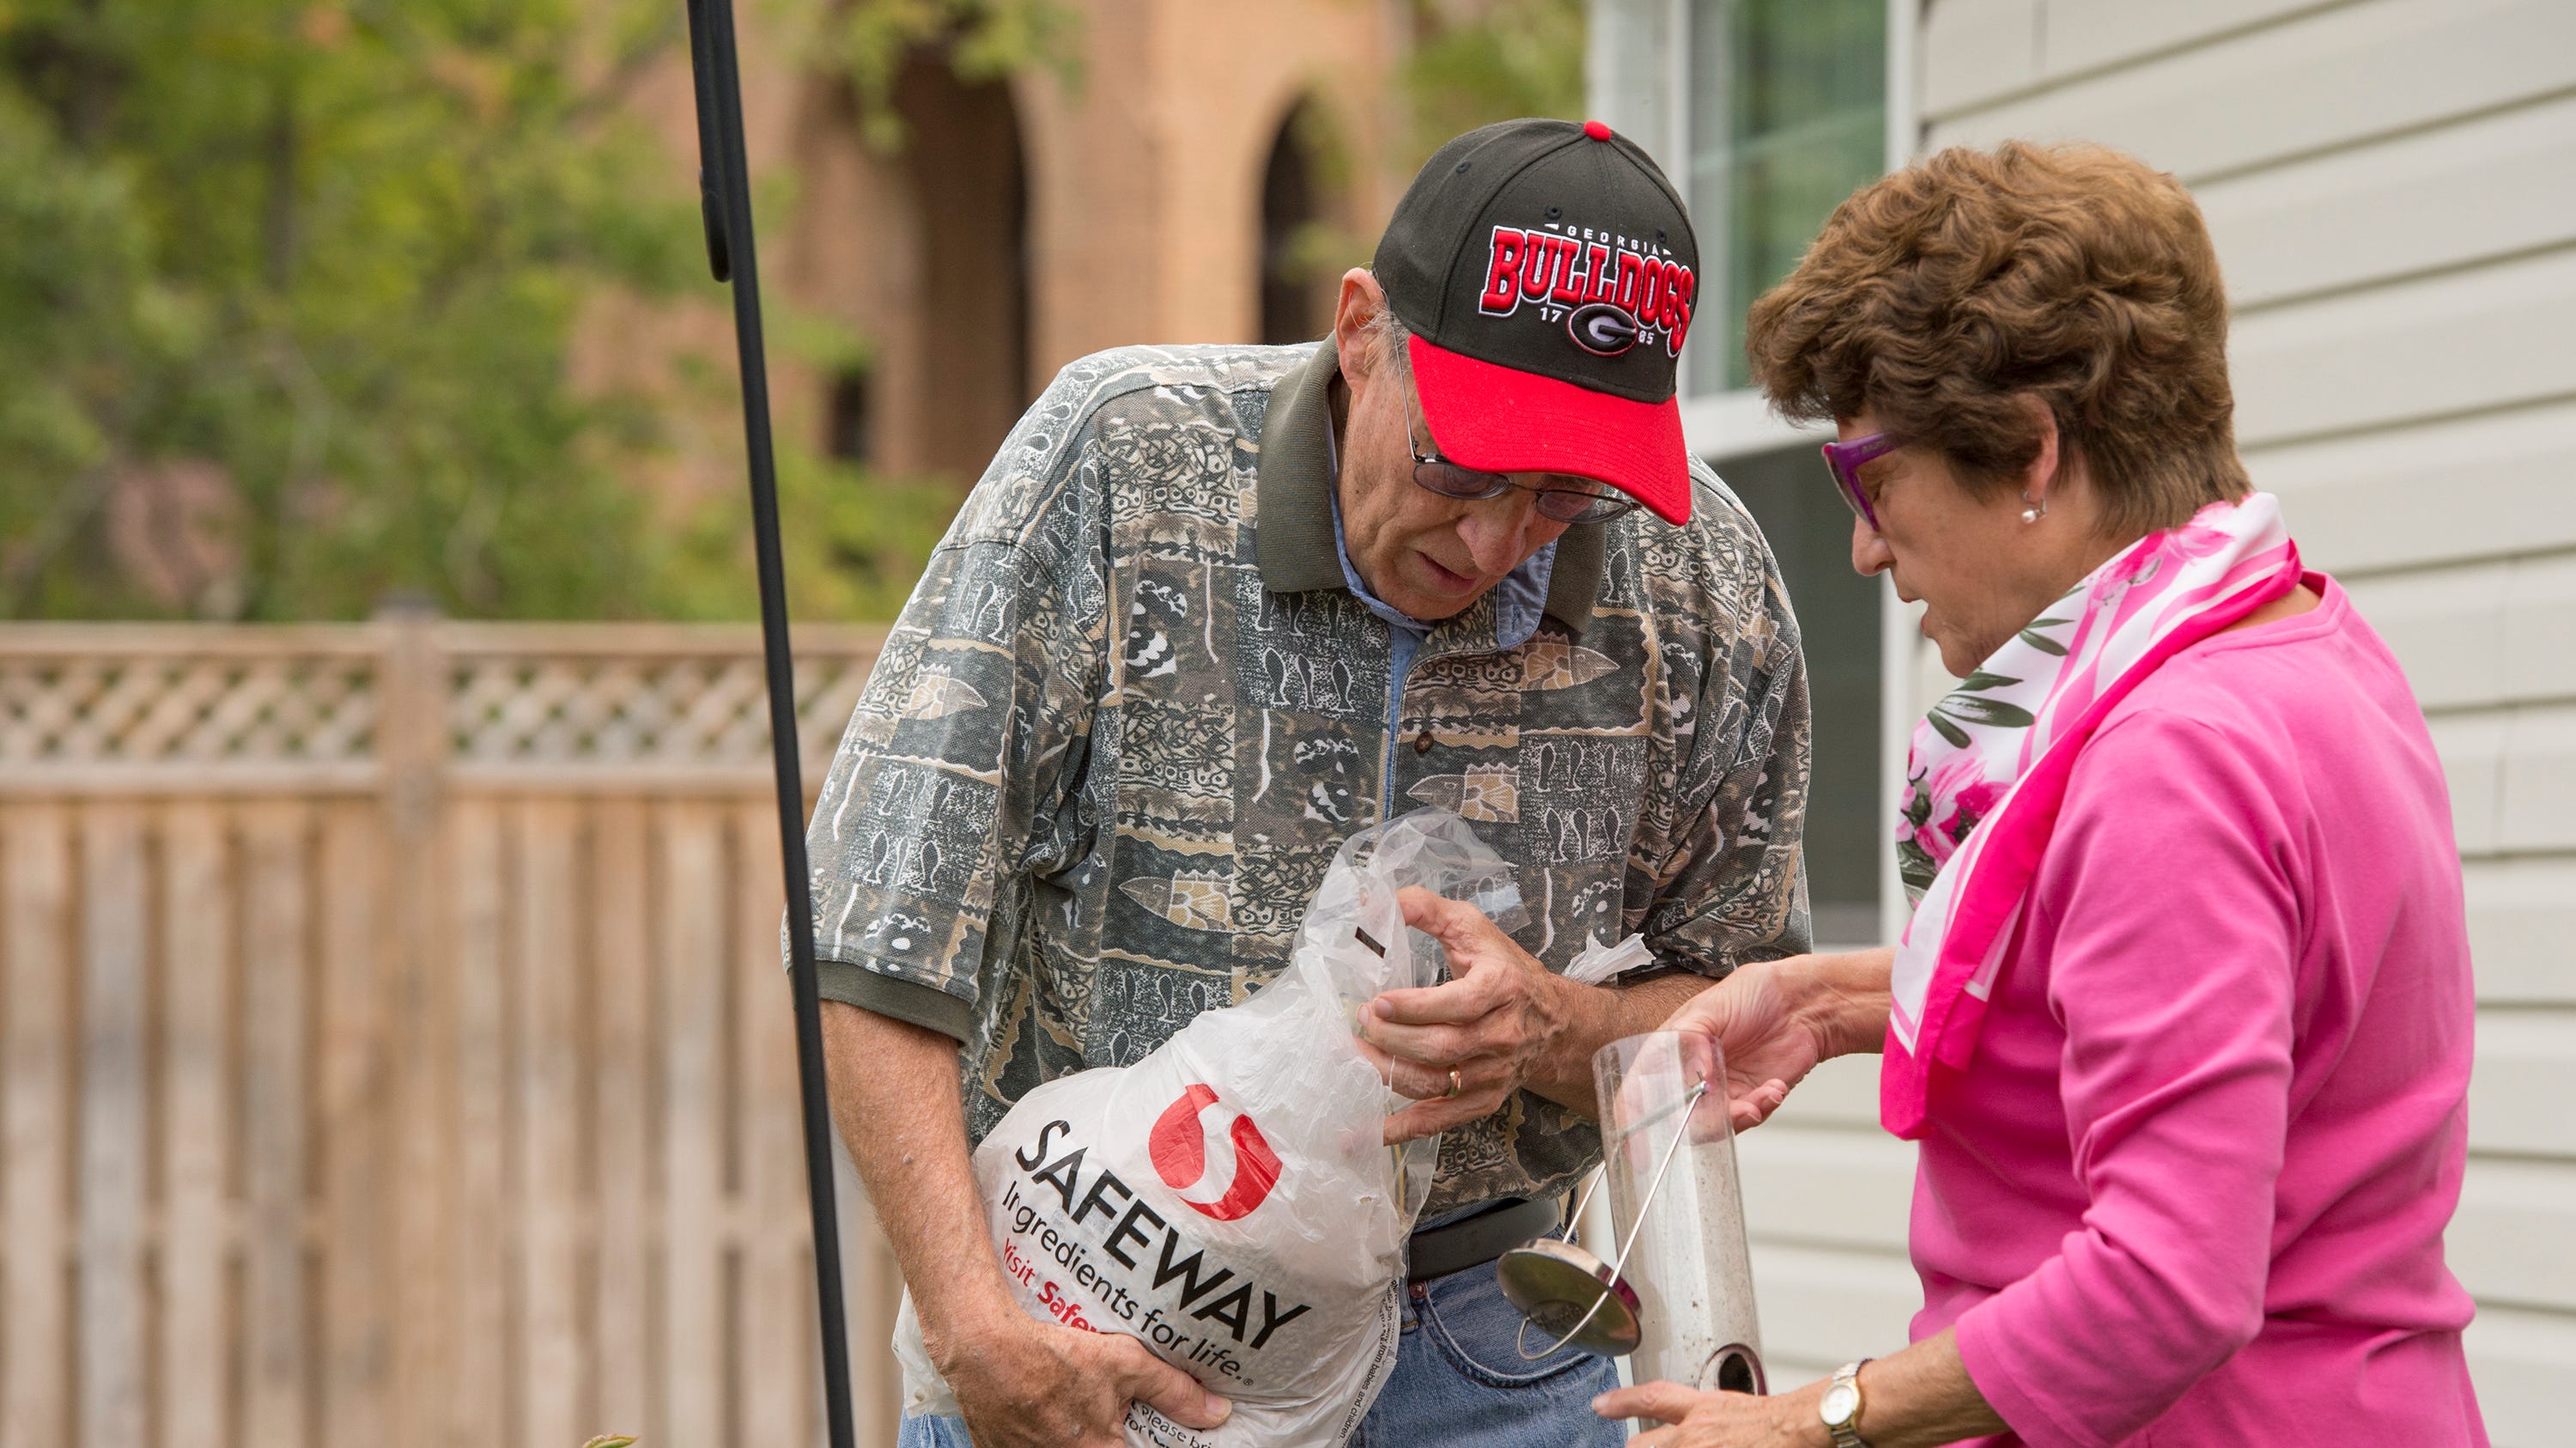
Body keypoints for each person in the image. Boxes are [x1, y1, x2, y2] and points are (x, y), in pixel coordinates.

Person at [805, 118, 1814, 1448]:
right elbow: (876, 918)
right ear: (1360, 332)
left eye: (1563, 496)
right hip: (1101, 1303)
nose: (1493, 537)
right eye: (1461, 462)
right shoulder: (1124, 459)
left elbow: (1744, 1008)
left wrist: (1560, 1026)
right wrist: (970, 1322)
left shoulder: (1702, 579)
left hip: (1491, 1346)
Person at [1570, 143, 2485, 1445]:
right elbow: (2188, 989)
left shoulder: (2170, 760)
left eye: (1873, 477)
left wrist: (1811, 1421)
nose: (1864, 546)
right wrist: (1830, 1002)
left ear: (2033, 454)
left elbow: (2166, 1284)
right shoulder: (2296, 646)